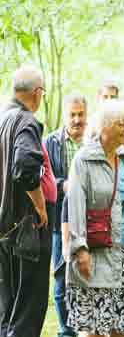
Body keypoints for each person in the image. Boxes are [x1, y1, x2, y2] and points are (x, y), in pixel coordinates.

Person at [66, 100, 124, 337]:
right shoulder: (83, 160)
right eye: (120, 124)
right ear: (105, 127)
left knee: (120, 327)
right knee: (93, 327)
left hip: (123, 255)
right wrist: (79, 250)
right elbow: (74, 207)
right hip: (94, 254)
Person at [0, 65, 48, 337]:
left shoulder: (2, 118)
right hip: (24, 231)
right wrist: (40, 206)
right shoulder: (25, 121)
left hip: (4, 230)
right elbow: (26, 167)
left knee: (7, 313)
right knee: (26, 316)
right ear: (37, 92)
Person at [45, 92, 88, 337]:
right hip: (57, 223)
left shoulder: (93, 141)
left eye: (80, 114)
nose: (76, 119)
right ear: (64, 115)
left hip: (88, 222)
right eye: (72, 114)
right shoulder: (50, 142)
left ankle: (86, 327)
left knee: (85, 276)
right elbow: (45, 178)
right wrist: (64, 185)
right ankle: (65, 330)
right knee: (61, 277)